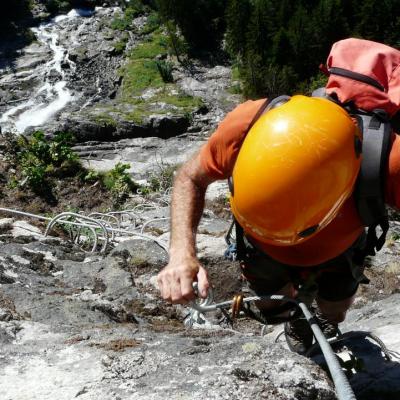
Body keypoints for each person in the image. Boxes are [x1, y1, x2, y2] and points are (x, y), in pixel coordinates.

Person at [157, 93, 400, 355]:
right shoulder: (244, 128)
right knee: (273, 307)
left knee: (335, 310)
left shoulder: (388, 162)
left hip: (341, 249)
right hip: (260, 248)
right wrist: (181, 253)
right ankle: (295, 320)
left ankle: (324, 322)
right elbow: (190, 177)